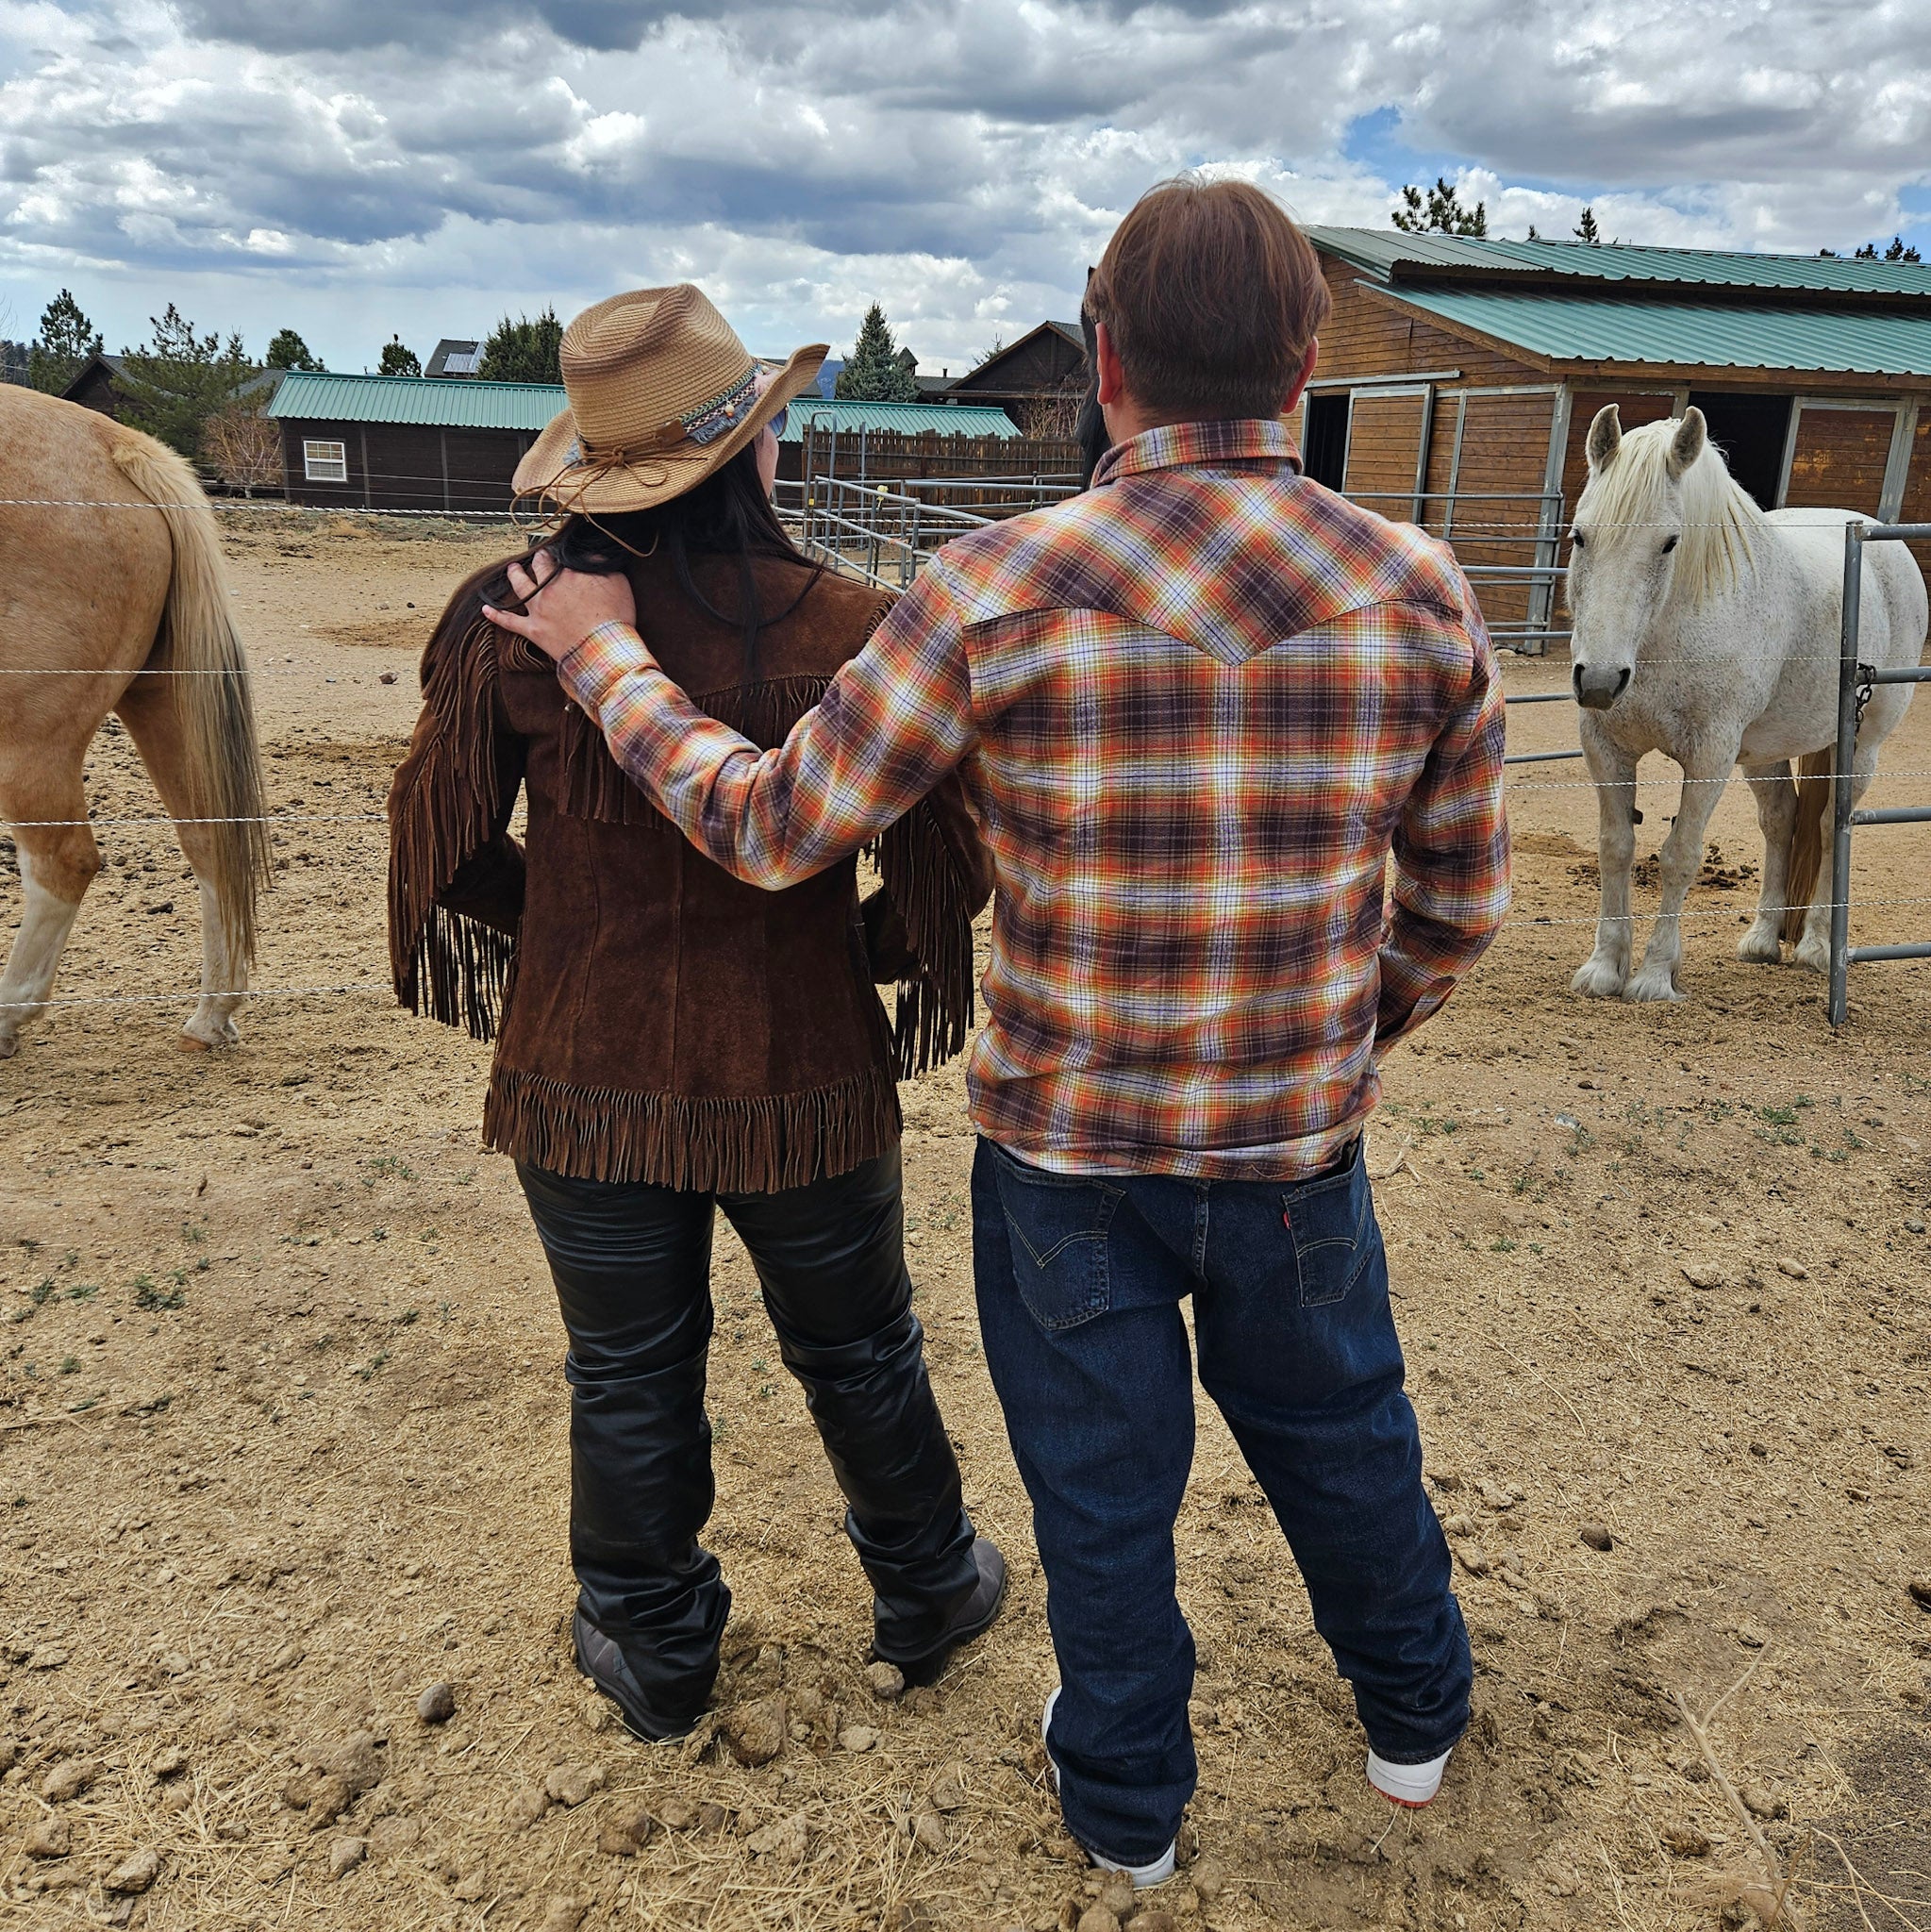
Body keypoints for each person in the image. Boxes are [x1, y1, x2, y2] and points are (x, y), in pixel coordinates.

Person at [487, 182, 1510, 1880]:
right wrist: (1332, 1032)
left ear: (1102, 361)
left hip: (1068, 1170)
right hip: (1292, 1158)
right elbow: (1460, 905)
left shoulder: (986, 591)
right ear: (1310, 360)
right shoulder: (1421, 590)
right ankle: (1413, 1722)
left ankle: (1130, 1821)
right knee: (1349, 1439)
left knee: (1103, 1502)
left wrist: (605, 663)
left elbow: (766, 826)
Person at [388, 285, 1006, 1744]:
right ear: (755, 449)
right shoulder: (856, 626)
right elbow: (946, 874)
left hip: (580, 1078)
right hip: (804, 1076)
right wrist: (831, 951)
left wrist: (572, 935)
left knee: (623, 1368)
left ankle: (655, 1646)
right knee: (861, 1351)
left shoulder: (513, 616)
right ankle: (927, 1587)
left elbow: (440, 840)